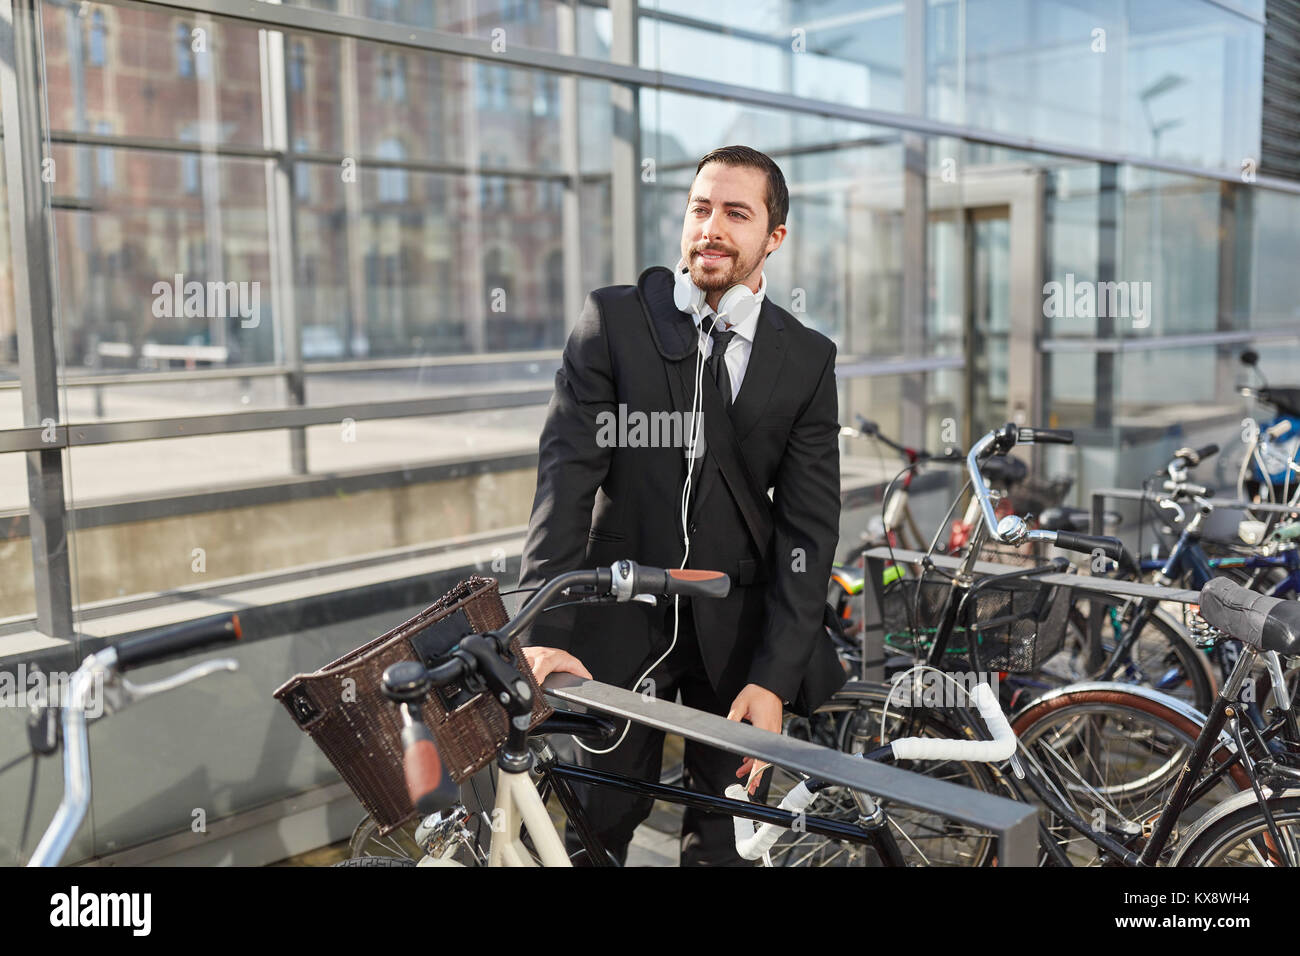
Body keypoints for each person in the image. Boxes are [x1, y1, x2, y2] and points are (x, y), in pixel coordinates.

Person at [518, 145, 843, 865]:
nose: (711, 229)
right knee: (596, 822)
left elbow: (808, 531)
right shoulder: (614, 322)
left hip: (738, 637)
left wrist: (773, 676)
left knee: (725, 842)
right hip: (614, 621)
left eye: (736, 213)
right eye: (700, 208)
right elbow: (564, 485)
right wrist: (545, 627)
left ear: (774, 238)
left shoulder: (808, 358)